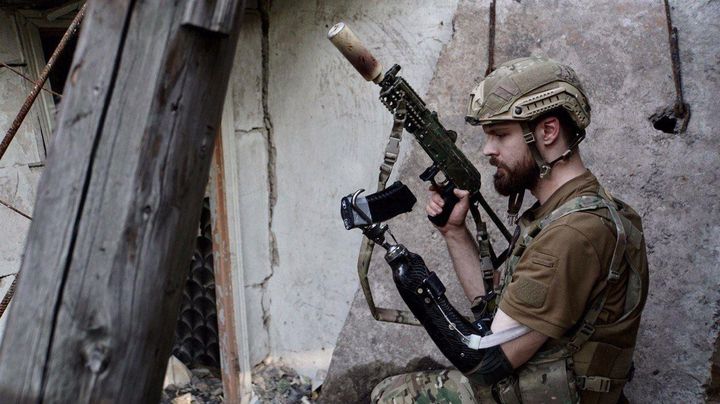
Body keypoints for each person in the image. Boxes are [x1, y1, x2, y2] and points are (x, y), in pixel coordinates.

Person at [371, 56, 649, 403]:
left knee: (391, 396)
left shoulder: (573, 233)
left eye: (500, 135)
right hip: (545, 382)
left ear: (547, 131)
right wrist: (455, 233)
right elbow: (495, 317)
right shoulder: (568, 211)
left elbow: (483, 361)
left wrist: (415, 282)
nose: (488, 150)